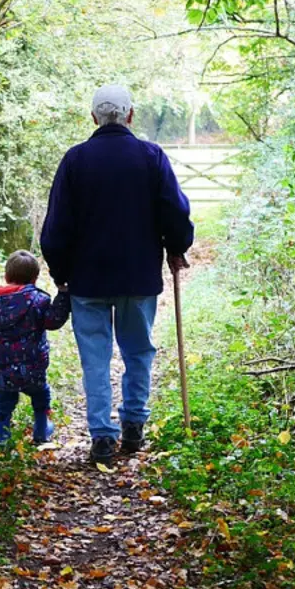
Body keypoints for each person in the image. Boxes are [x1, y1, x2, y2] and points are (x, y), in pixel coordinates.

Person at [40, 84, 194, 465]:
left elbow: (56, 227)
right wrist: (178, 246)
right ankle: (133, 426)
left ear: (94, 117)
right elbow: (174, 211)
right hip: (138, 277)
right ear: (130, 115)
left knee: (95, 358)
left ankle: (102, 437)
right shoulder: (150, 156)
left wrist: (61, 275)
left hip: (87, 280)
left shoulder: (75, 161)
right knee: (138, 350)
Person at [0, 250, 71, 445]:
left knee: (3, 402)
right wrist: (63, 295)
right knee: (40, 395)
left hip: (1, 368)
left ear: (6, 276)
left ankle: (4, 438)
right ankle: (42, 430)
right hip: (33, 367)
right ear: (35, 279)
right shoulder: (37, 301)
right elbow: (53, 321)